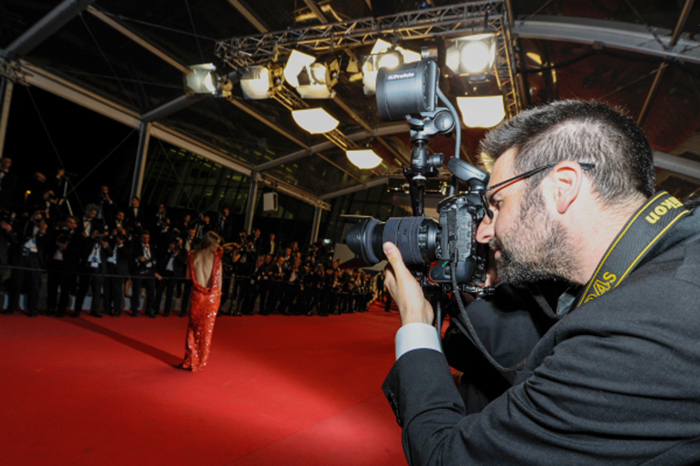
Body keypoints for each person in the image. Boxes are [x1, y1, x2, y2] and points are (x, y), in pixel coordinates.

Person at [380, 100, 700, 465]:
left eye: (497, 203)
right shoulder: (672, 258)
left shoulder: (636, 332)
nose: (485, 232)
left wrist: (416, 324)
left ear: (563, 186)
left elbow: (445, 457)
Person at [177, 231, 223, 372]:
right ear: (209, 243)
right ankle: (201, 361)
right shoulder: (216, 259)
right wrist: (218, 296)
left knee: (193, 328)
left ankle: (190, 360)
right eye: (216, 243)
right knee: (206, 330)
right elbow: (218, 281)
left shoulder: (192, 256)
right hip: (212, 296)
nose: (218, 246)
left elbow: (187, 277)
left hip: (197, 294)